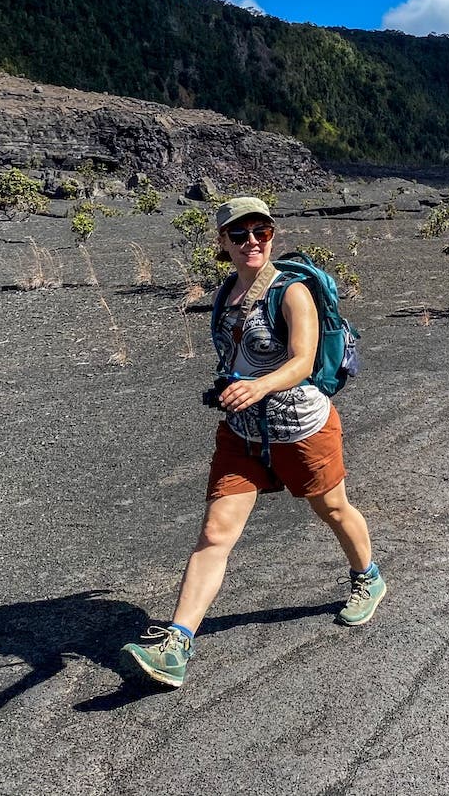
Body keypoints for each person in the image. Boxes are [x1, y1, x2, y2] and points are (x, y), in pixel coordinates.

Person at [121, 197, 384, 688]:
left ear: (271, 235)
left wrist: (259, 386)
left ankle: (368, 576)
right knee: (216, 533)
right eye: (239, 235)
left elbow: (303, 361)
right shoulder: (226, 295)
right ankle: (177, 644)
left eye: (260, 232)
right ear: (221, 243)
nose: (251, 242)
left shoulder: (291, 292)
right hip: (242, 432)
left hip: (301, 427)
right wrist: (234, 387)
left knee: (332, 509)